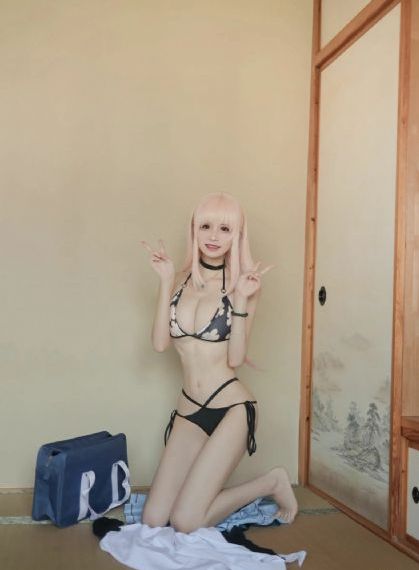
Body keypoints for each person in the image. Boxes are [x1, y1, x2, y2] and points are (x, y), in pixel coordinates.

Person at [140, 192, 298, 533]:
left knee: (185, 521)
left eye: (225, 229)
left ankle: (271, 482)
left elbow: (236, 358)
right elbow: (159, 344)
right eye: (206, 226)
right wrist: (164, 281)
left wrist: (240, 299)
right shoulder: (178, 279)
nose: (213, 236)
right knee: (153, 519)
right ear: (193, 230)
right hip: (189, 409)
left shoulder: (244, 285)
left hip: (231, 409)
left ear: (237, 235)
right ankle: (216, 494)